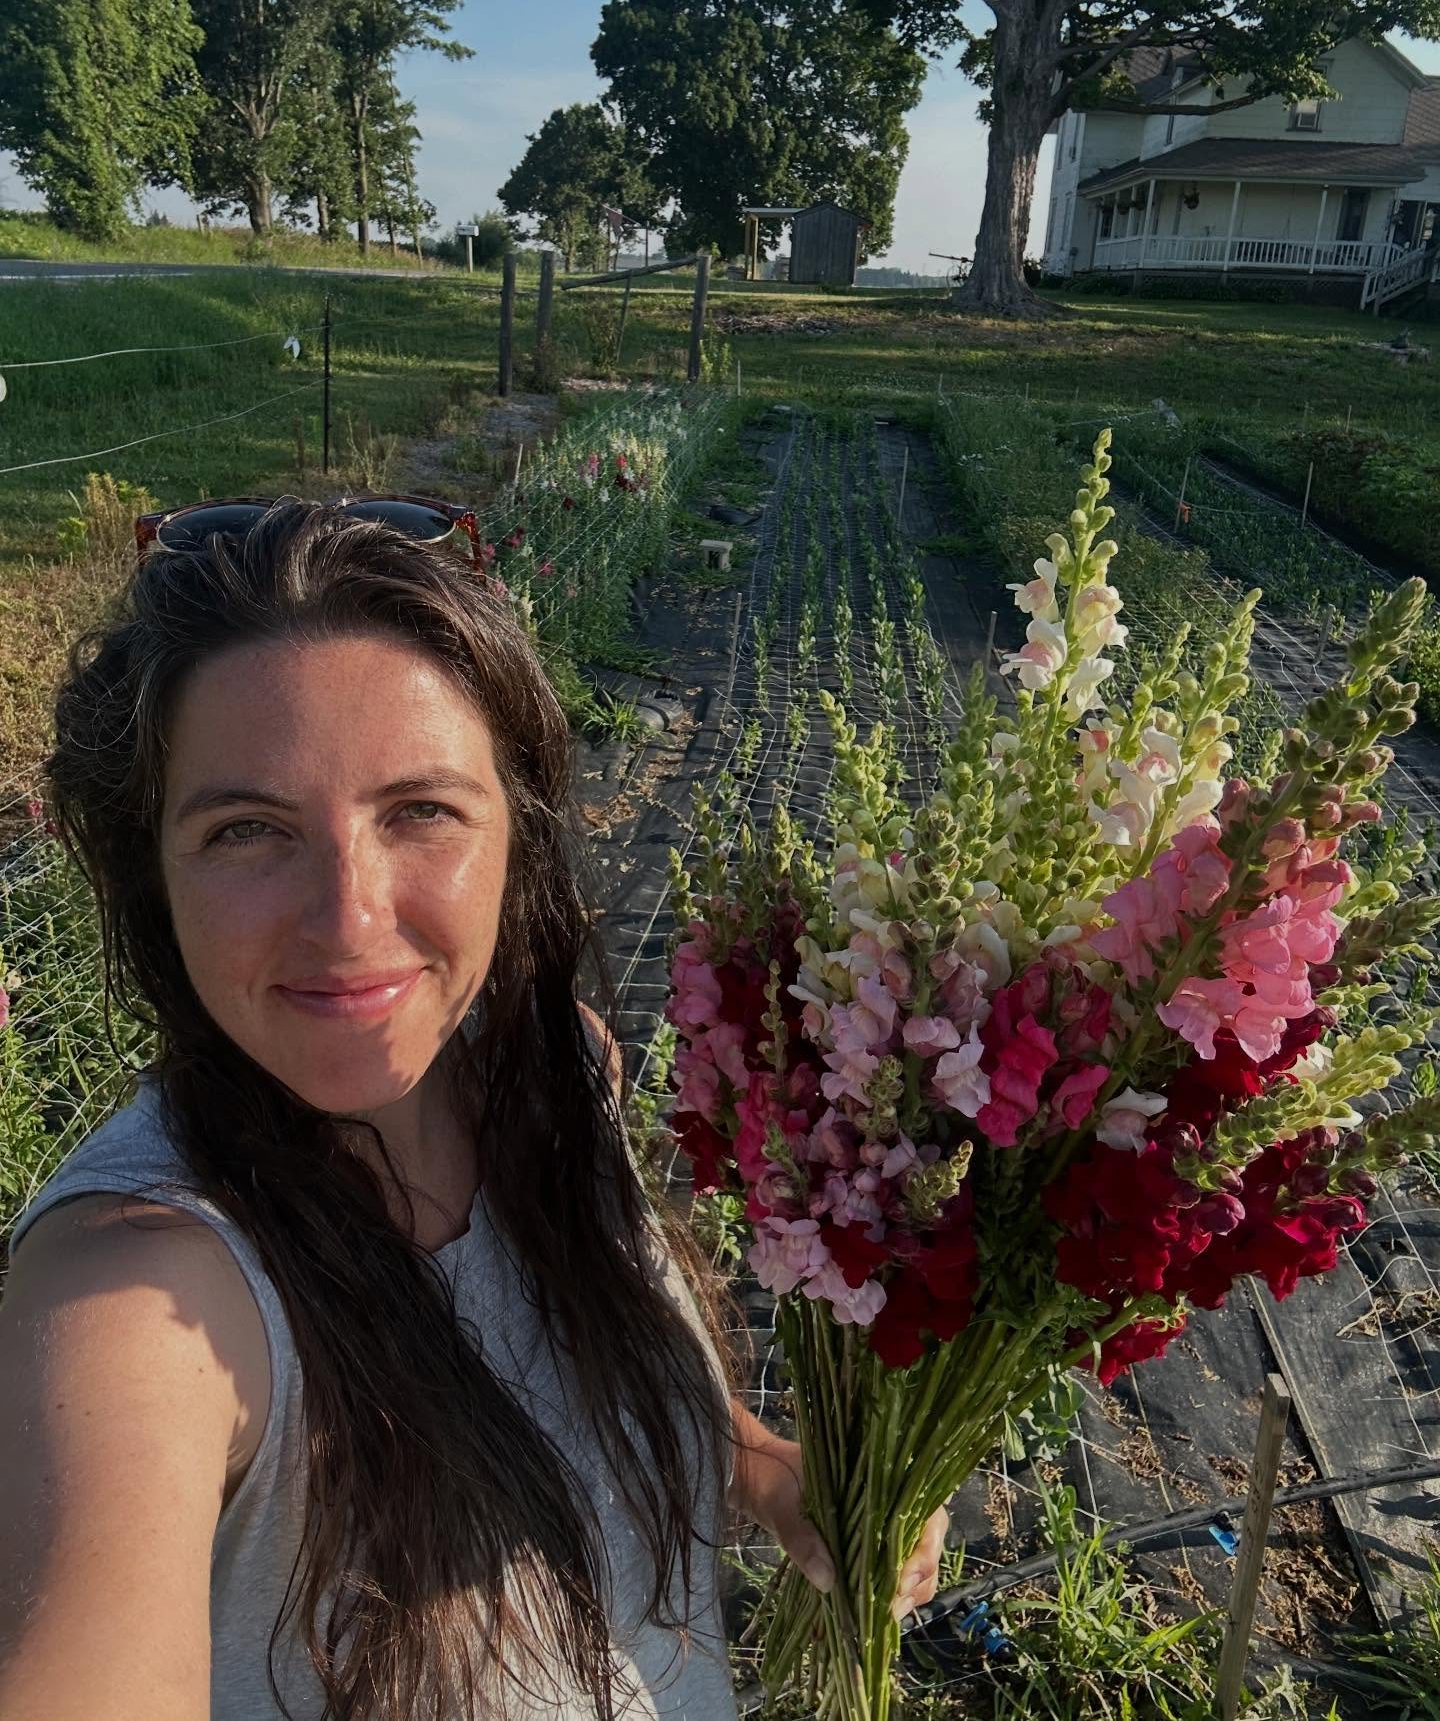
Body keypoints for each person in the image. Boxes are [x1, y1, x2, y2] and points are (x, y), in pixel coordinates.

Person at [0, 496, 946, 1721]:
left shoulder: (558, 1078)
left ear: (519, 830)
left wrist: (770, 1473)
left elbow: (619, 1381)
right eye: (247, 831)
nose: (348, 919)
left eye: (421, 811)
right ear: (151, 873)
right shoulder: (138, 1292)